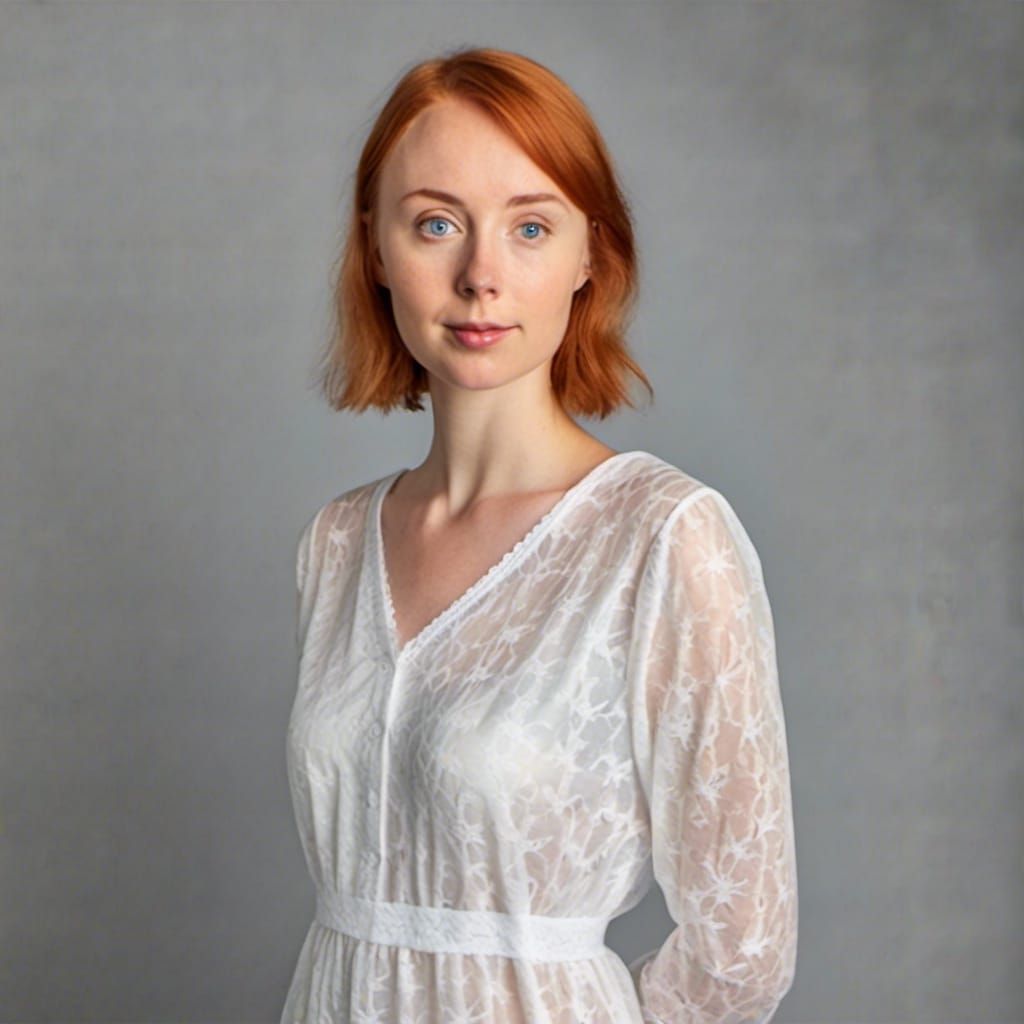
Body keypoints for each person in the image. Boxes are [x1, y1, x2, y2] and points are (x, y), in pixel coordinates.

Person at [282, 46, 798, 1024]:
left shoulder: (663, 539)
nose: (481, 275)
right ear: (377, 251)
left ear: (588, 256)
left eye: (529, 226)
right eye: (436, 224)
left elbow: (744, 950)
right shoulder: (336, 542)